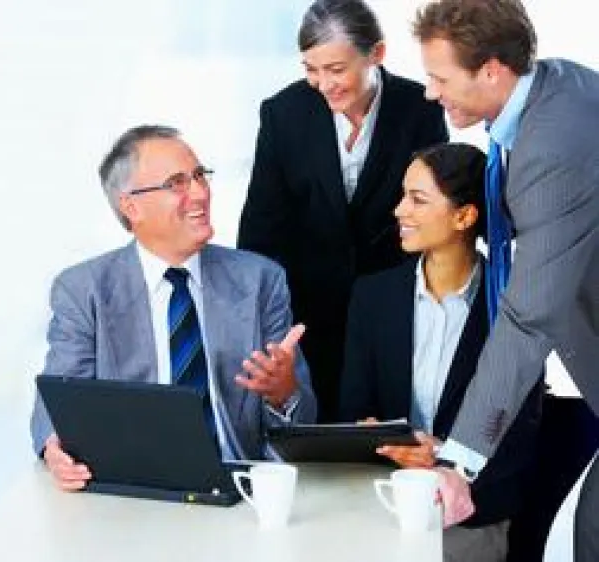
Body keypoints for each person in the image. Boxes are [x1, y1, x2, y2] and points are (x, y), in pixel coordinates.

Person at [409, 1, 599, 559]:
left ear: (491, 70)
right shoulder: (550, 90)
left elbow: (529, 316)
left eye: (441, 78)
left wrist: (460, 458)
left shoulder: (554, 145)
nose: (430, 93)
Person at [28, 125, 317, 490]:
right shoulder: (84, 290)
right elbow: (61, 397)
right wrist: (56, 445)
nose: (200, 193)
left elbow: (302, 424)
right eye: (177, 183)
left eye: (199, 176)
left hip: (240, 487)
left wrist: (283, 392)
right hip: (133, 489)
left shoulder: (259, 279)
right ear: (131, 206)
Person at [237, 0, 448, 421]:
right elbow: (262, 227)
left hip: (393, 306)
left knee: (387, 429)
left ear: (377, 54)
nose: (323, 84)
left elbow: (434, 212)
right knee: (321, 427)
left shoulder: (420, 108)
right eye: (311, 70)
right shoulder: (284, 114)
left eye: (336, 69)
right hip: (309, 308)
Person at [339, 143, 539, 562]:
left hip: (471, 513)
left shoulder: (513, 307)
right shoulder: (373, 296)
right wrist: (377, 438)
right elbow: (355, 408)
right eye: (403, 196)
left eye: (417, 199)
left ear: (464, 216)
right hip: (384, 499)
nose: (399, 211)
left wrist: (447, 457)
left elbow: (519, 433)